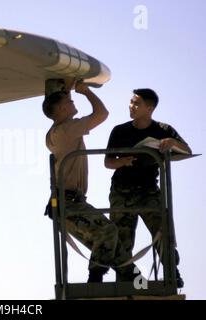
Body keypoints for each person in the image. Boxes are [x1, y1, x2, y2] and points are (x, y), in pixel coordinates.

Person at [43, 81, 134, 282]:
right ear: (62, 108)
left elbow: (55, 104)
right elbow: (102, 114)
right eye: (69, 100)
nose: (73, 101)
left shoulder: (58, 131)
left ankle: (139, 285)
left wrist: (65, 90)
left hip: (69, 202)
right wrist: (86, 91)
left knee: (115, 249)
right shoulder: (67, 129)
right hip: (68, 203)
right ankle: (95, 280)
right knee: (108, 231)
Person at [105, 88, 191, 287]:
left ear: (149, 108)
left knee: (163, 232)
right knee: (122, 240)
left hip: (148, 191)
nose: (131, 106)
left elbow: (186, 151)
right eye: (131, 102)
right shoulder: (120, 130)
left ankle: (172, 272)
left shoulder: (163, 129)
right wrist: (123, 161)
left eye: (137, 103)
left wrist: (171, 142)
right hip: (122, 192)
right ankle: (125, 281)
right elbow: (108, 162)